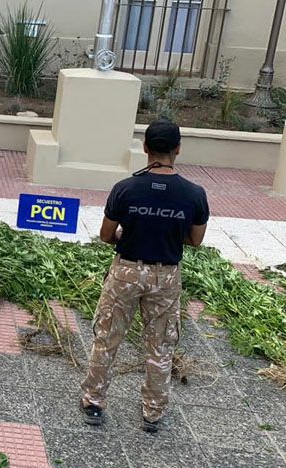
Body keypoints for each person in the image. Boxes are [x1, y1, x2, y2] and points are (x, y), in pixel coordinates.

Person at [79, 120, 209, 433]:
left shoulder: (125, 188)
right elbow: (196, 240)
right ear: (178, 149)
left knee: (107, 338)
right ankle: (152, 412)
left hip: (126, 270)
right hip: (165, 276)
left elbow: (106, 235)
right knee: (161, 346)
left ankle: (94, 402)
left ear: (145, 147)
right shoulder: (194, 194)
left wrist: (129, 232)